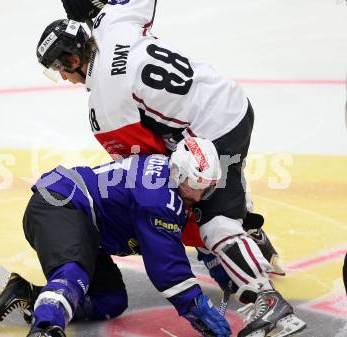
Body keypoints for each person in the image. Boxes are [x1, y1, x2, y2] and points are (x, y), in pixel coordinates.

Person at [37, 0, 284, 276]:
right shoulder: (114, 20)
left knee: (207, 212)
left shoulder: (103, 108)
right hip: (231, 100)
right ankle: (244, 220)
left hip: (213, 131)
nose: (63, 77)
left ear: (73, 60)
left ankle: (260, 287)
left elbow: (152, 169)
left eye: (60, 70)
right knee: (223, 173)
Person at [0, 138, 305, 337]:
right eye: (196, 185)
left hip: (85, 224)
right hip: (59, 204)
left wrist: (211, 258)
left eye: (207, 187)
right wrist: (195, 307)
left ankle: (23, 292)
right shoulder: (159, 197)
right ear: (179, 173)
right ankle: (45, 329)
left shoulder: (170, 183)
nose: (201, 194)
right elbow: (166, 266)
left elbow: (183, 234)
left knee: (109, 301)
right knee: (73, 273)